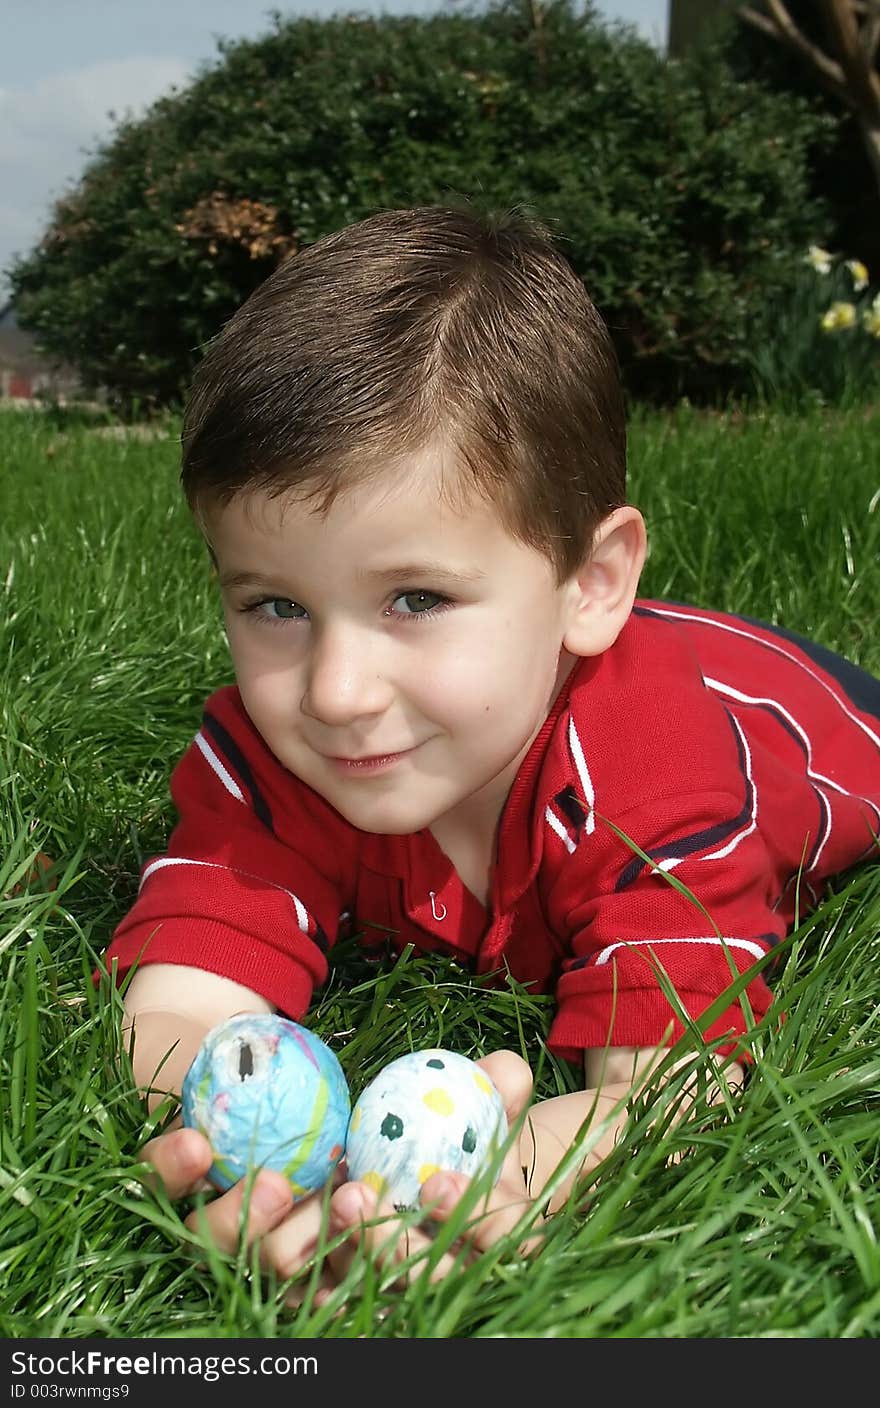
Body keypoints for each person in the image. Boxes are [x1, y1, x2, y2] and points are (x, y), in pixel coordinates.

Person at [102, 201, 880, 1297]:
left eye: (415, 596)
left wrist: (477, 1182)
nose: (334, 690)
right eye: (276, 604)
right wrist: (278, 1172)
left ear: (592, 582)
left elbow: (667, 1086)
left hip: (802, 711)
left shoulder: (658, 774)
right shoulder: (268, 754)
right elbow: (179, 1007)